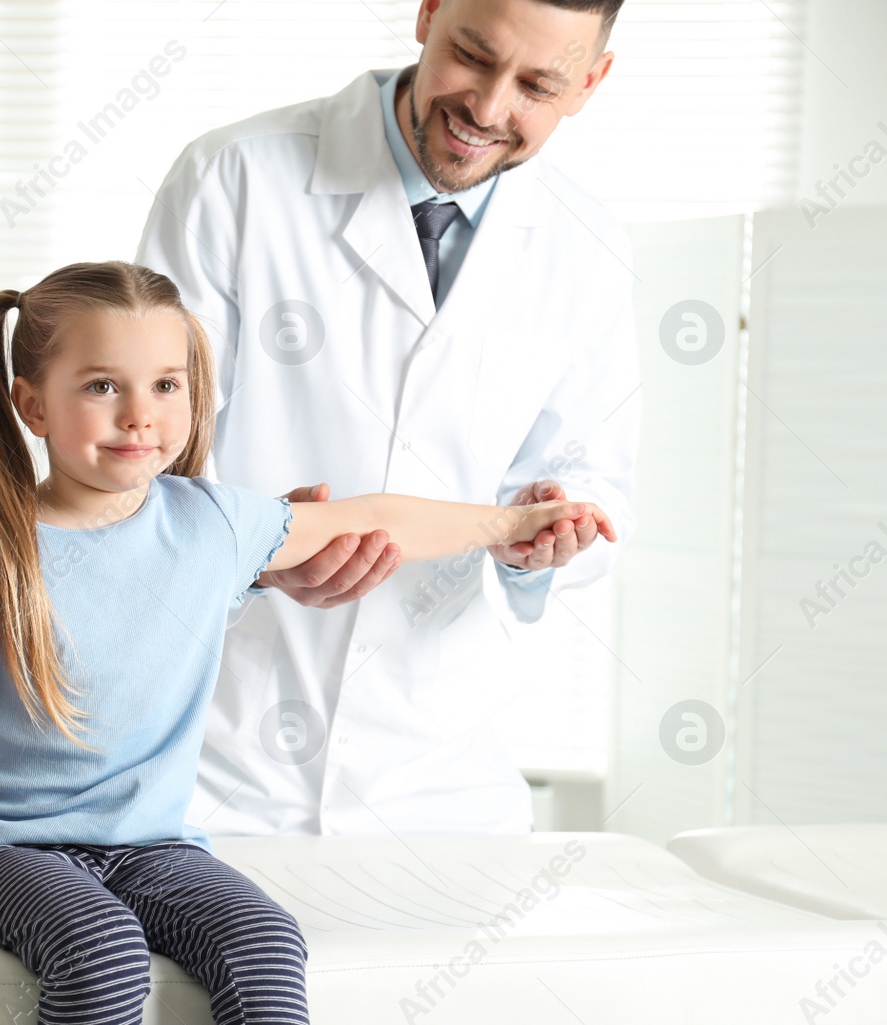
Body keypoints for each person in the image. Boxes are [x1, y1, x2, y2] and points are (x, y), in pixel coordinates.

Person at [0, 261, 613, 1025]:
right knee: (101, 950)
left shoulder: (213, 522)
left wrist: (515, 522)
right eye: (103, 385)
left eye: (167, 385)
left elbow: (375, 517)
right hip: (2, 851)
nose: (141, 415)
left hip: (155, 844)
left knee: (266, 941)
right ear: (32, 402)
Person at [135, 0, 641, 839]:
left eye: (536, 86)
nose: (485, 108)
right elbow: (133, 466)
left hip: (441, 786)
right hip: (211, 768)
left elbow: (593, 482)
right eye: (473, 56)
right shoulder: (235, 177)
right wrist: (257, 558)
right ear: (428, 12)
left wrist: (545, 545)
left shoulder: (586, 246)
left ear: (589, 83)